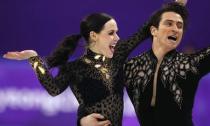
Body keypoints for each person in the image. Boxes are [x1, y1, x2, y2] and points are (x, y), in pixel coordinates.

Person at [3, 13, 150, 126]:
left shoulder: (118, 56)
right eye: (111, 33)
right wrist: (34, 59)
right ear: (94, 35)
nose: (117, 37)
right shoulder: (74, 68)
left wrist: (173, 6)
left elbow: (143, 32)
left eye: (116, 32)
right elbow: (53, 89)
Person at [124, 2, 210, 126]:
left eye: (180, 26)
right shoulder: (130, 67)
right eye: (169, 23)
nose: (175, 29)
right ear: (153, 30)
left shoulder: (190, 64)